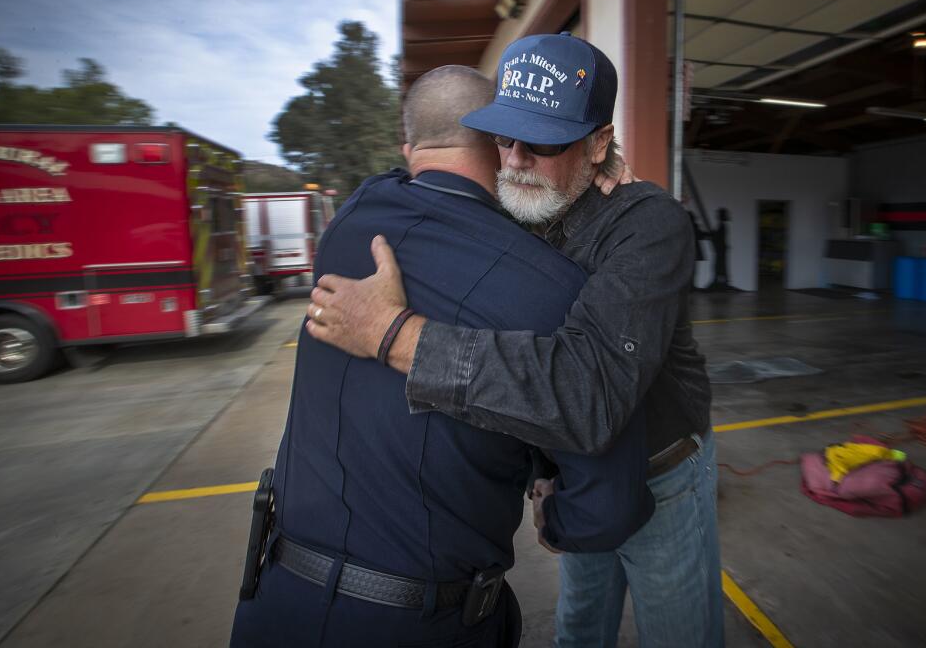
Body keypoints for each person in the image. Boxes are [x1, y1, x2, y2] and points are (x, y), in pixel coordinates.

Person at [307, 34, 722, 647]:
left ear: (598, 141)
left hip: (662, 478)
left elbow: (588, 391)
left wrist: (392, 334)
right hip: (576, 479)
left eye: (545, 141)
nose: (517, 159)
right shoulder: (517, 209)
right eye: (505, 137)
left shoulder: (650, 225)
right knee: (579, 626)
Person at [230, 65, 654, 648]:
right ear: (500, 141)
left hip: (273, 604)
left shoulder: (350, 225)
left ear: (410, 150)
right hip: (420, 624)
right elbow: (609, 498)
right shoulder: (552, 289)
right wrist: (560, 521)